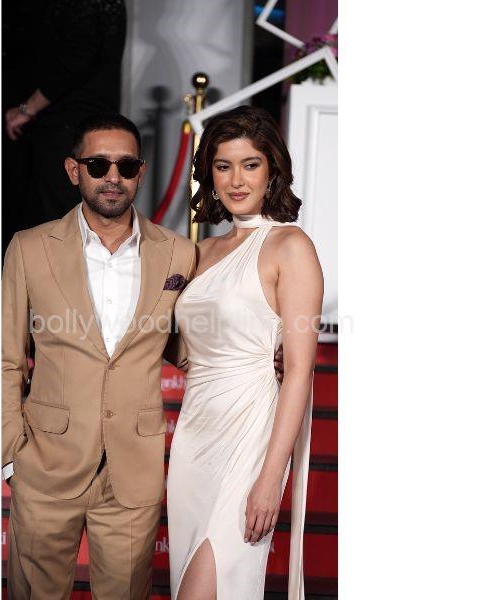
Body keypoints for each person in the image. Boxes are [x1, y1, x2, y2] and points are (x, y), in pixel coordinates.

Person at [2, 113, 198, 599]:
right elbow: (3, 357)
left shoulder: (178, 253)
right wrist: (11, 455)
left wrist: (256, 356)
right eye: (98, 164)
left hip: (133, 470)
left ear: (140, 173)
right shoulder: (29, 248)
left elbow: (189, 347)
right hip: (45, 465)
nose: (113, 176)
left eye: (126, 166)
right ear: (74, 170)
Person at [167, 105, 324, 600]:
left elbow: (299, 371)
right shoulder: (201, 253)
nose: (237, 180)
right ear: (209, 175)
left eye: (250, 164)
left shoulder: (290, 245)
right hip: (195, 434)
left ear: (271, 170)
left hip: (250, 434)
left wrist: (270, 477)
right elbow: (184, 348)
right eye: (223, 166)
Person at [2, 0, 126, 257]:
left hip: (64, 126)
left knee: (53, 224)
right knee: (67, 223)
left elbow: (76, 55)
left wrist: (27, 108)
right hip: (84, 123)